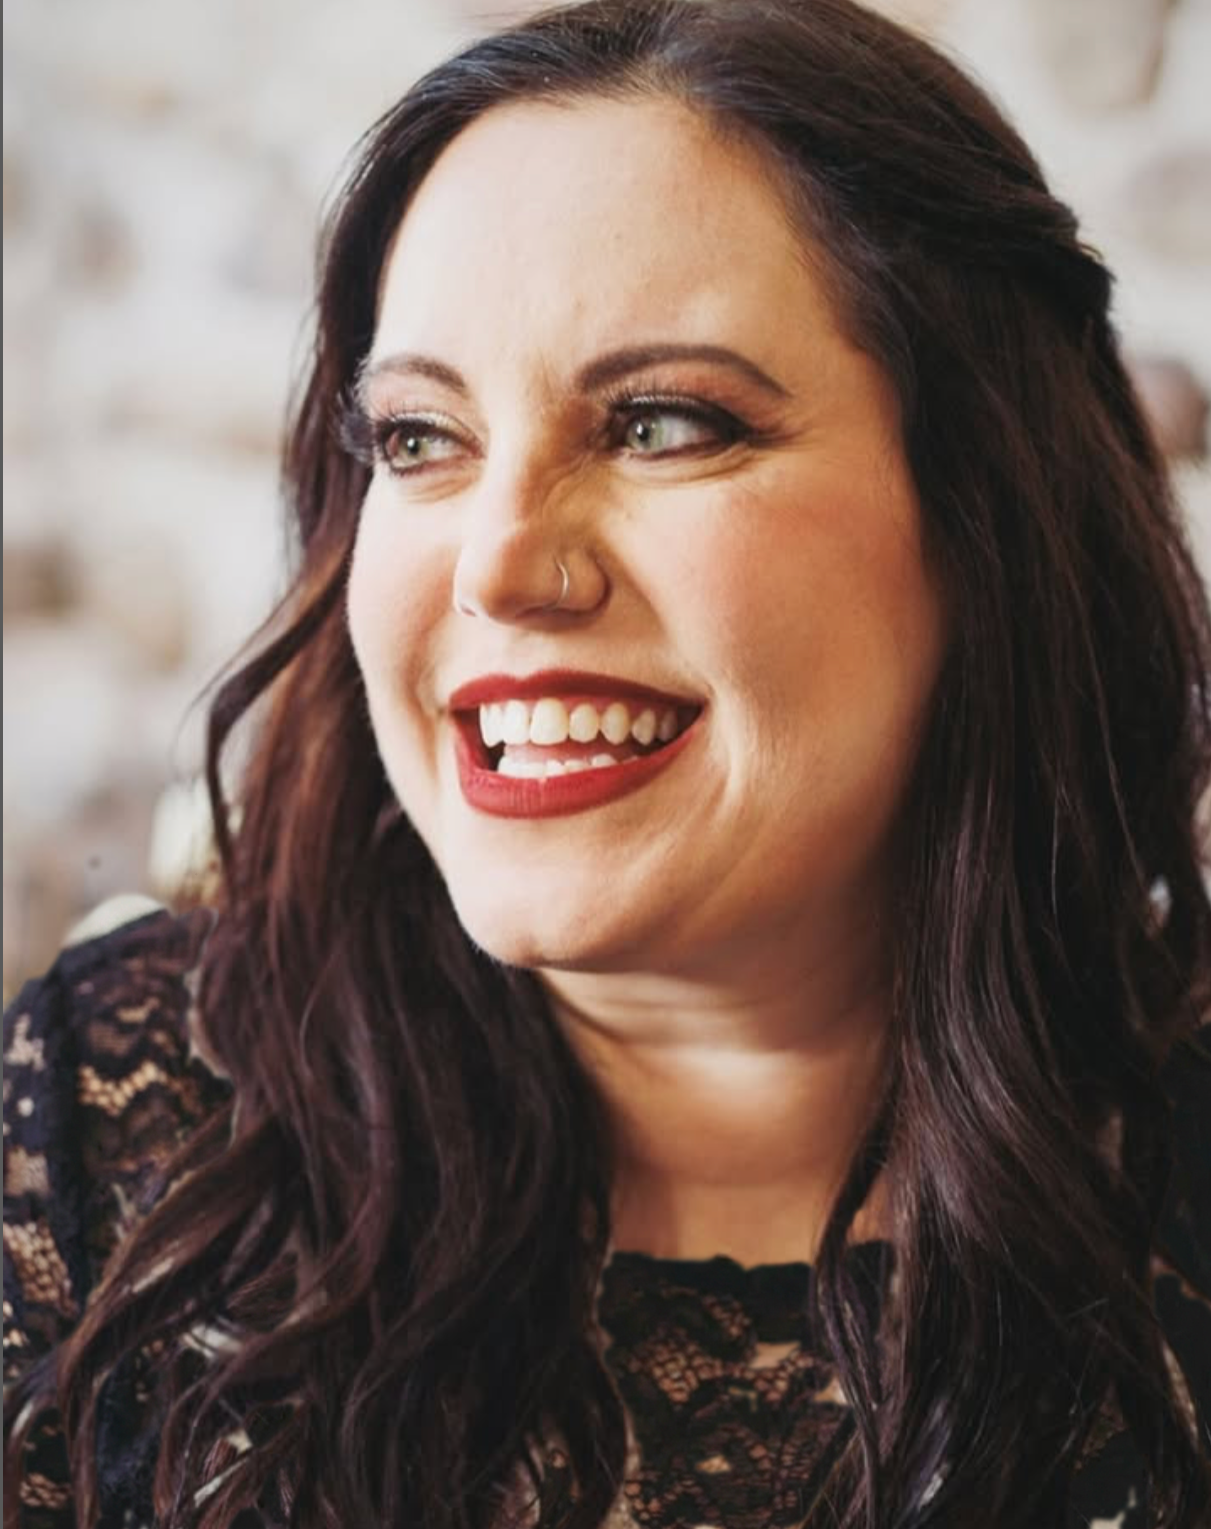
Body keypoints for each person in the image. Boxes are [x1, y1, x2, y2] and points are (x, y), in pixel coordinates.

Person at [4, 1, 1210, 1524]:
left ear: (986, 520)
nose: (499, 567)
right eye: (420, 439)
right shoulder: (119, 1137)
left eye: (658, 423)